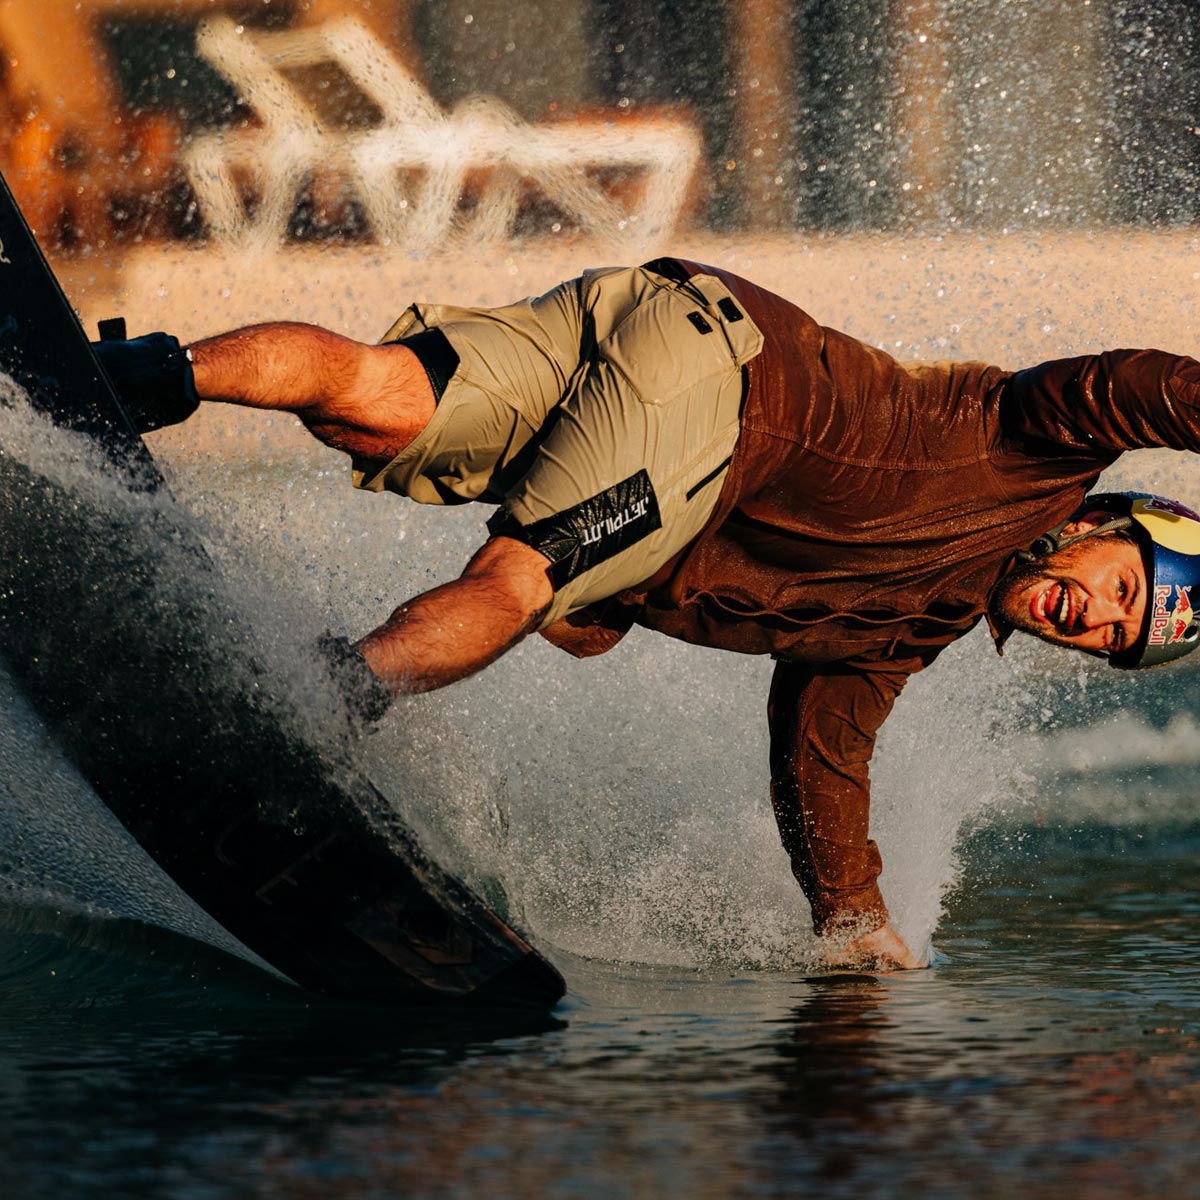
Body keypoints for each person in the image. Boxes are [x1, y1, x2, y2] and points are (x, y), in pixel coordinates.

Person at [91, 258, 1200, 971]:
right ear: (1101, 525)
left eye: (1115, 638)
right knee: (520, 585)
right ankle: (315, 711)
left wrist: (852, 924)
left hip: (663, 313)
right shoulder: (1038, 448)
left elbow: (822, 760)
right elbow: (1135, 390)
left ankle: (139, 380)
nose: (1095, 617)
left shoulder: (900, 637)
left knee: (377, 403)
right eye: (1120, 584)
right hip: (717, 395)